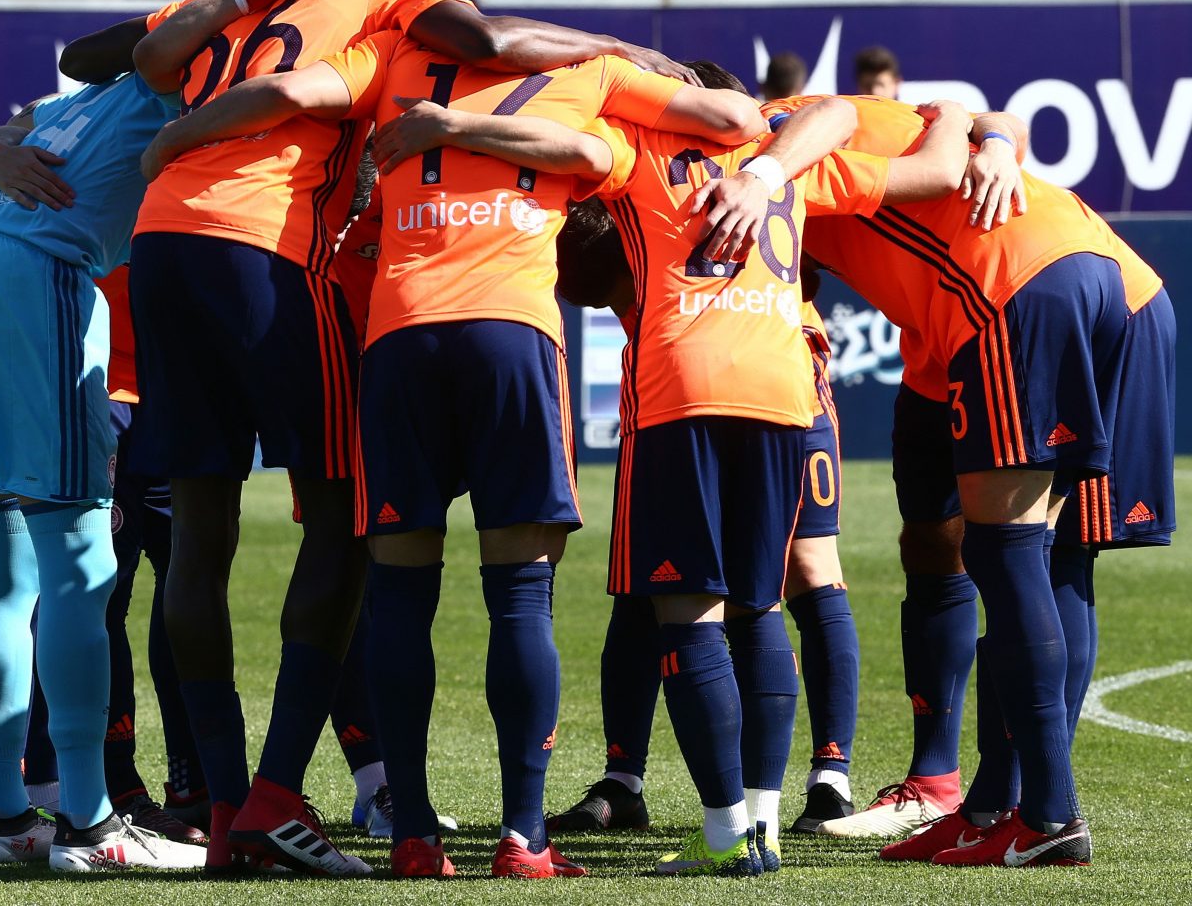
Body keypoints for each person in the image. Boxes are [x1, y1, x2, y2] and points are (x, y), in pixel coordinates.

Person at [118, 0, 717, 878]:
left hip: (274, 285)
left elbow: (171, 65)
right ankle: (496, 831)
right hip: (430, 305)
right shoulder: (500, 45)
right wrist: (628, 54)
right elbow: (660, 115)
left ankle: (298, 816)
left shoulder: (352, 44)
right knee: (463, 569)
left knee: (230, 539)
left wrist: (174, 138)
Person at [365, 63, 974, 875]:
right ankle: (764, 822)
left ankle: (724, 834)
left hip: (684, 386)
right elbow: (903, 154)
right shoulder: (788, 156)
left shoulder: (641, 150)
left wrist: (452, 127)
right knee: (761, 606)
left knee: (688, 615)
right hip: (785, 388)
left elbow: (570, 148)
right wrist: (959, 120)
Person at [793, 94, 1175, 865]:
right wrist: (996, 141)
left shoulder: (768, 147)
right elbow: (973, 114)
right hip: (1130, 291)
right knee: (1059, 559)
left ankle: (1048, 818)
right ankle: (997, 807)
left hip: (1015, 286)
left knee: (1005, 552)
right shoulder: (828, 126)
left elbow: (949, 146)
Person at [0, 72, 208, 872]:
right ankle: (89, 823)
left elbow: (7, 133)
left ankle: (3, 815)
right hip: (34, 280)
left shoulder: (78, 99)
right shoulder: (195, 96)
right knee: (82, 561)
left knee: (4, 562)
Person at [544, 206, 861, 839]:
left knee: (803, 569)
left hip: (782, 365)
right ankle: (625, 780)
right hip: (675, 377)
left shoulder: (763, 162)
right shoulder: (646, 193)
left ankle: (828, 779)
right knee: (646, 573)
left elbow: (819, 231)